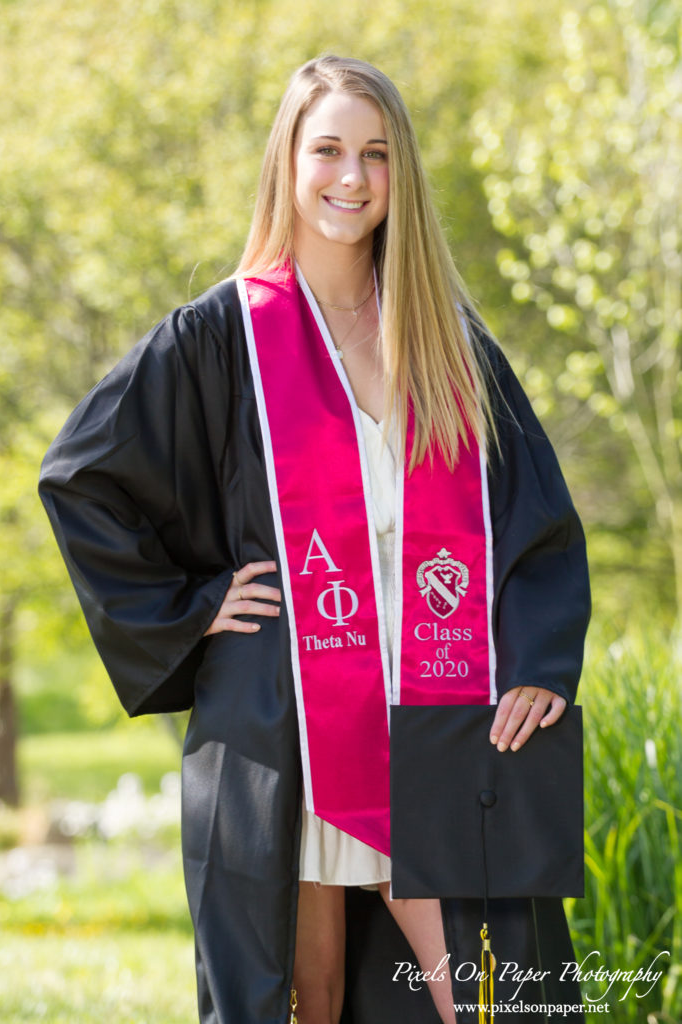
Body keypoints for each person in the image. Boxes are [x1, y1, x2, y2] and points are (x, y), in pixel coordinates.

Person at [39, 55, 590, 1024]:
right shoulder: (221, 337)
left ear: (399, 173)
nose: (351, 176)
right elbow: (82, 475)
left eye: (376, 154)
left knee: (482, 995)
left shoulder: (446, 342)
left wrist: (540, 661)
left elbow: (535, 520)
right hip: (290, 724)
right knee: (309, 999)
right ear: (286, 161)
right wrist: (195, 609)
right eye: (327, 148)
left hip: (433, 718)